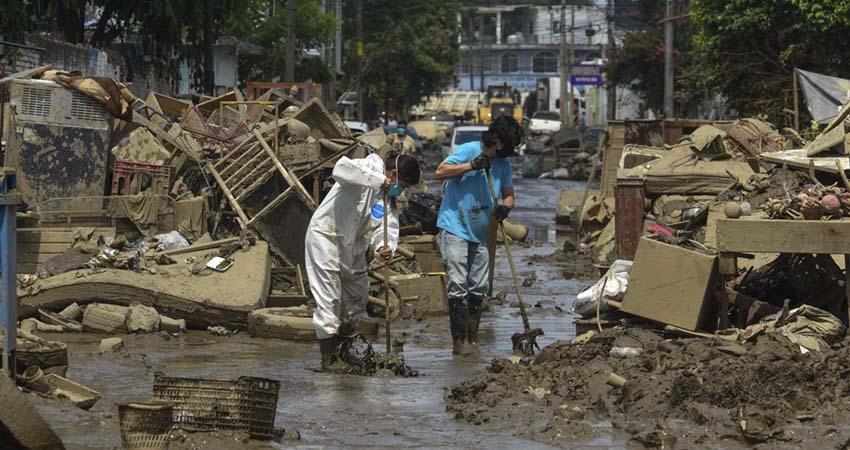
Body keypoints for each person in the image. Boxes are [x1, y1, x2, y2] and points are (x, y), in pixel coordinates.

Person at [305, 151, 421, 371]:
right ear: (393, 174)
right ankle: (328, 360)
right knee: (329, 299)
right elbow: (341, 169)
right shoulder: (367, 166)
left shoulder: (388, 200)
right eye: (402, 184)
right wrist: (378, 180)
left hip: (353, 248)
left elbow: (386, 228)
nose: (401, 189)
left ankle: (343, 350)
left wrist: (384, 248)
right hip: (326, 238)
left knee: (356, 300)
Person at [434, 116, 522, 355]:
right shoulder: (468, 150)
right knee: (458, 283)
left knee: (480, 286)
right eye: (509, 144)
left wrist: (506, 206)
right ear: (496, 139)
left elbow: (509, 193)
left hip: (481, 231)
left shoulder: (503, 163)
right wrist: (471, 166)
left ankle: (473, 339)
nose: (510, 150)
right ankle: (459, 342)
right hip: (456, 226)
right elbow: (440, 171)